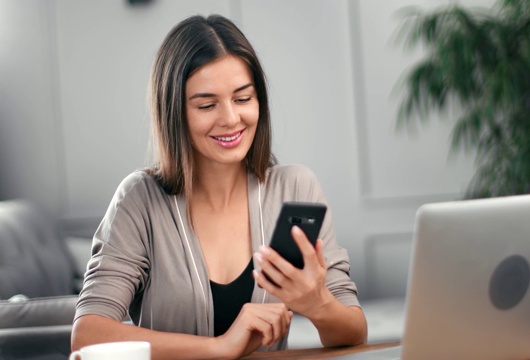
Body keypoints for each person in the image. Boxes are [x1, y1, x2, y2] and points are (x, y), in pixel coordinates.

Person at [70, 14, 367, 359]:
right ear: (174, 113)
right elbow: (87, 334)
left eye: (243, 99)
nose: (230, 118)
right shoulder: (140, 199)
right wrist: (220, 348)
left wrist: (318, 305)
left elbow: (354, 331)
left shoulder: (296, 187)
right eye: (207, 105)